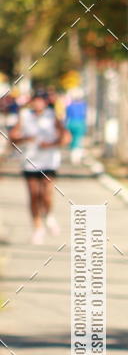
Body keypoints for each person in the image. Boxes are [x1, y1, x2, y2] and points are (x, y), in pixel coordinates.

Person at [9, 89, 67, 243]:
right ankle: (38, 227)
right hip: (29, 162)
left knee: (46, 194)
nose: (37, 103)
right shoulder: (24, 115)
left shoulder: (52, 115)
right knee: (34, 195)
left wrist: (51, 144)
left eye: (41, 101)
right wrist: (23, 138)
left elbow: (65, 137)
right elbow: (12, 137)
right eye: (35, 100)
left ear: (45, 102)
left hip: (49, 161)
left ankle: (48, 215)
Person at [65, 89, 88, 165]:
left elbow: (67, 116)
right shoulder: (83, 105)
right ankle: (76, 157)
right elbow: (84, 115)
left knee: (72, 140)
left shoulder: (70, 106)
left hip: (71, 123)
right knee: (78, 140)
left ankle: (73, 155)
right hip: (80, 123)